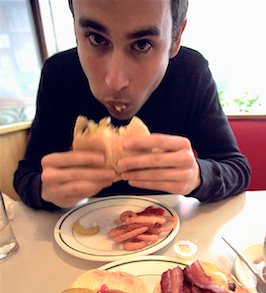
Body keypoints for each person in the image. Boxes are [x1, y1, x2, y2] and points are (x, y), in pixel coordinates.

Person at [14, 0, 251, 211]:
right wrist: (45, 189)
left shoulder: (191, 72)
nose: (115, 82)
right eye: (96, 38)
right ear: (75, 28)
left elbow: (237, 168)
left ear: (176, 37)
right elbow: (26, 177)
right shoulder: (59, 74)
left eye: (142, 44)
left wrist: (198, 176)